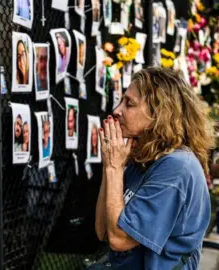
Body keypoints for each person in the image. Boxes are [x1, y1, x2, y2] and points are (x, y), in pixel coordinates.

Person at [94, 67, 214, 269]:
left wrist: (114, 168)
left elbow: (119, 240)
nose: (117, 110)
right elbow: (102, 231)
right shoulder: (143, 157)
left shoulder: (177, 167)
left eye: (129, 103)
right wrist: (110, 165)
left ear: (159, 114)